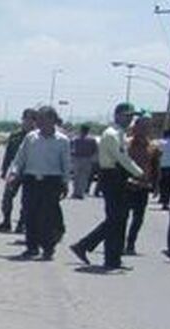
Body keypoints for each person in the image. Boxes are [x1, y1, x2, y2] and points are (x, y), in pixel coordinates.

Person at [69, 102, 144, 269]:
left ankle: (112, 258)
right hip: (112, 176)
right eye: (127, 115)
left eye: (132, 116)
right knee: (116, 218)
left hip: (118, 176)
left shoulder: (121, 133)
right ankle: (85, 245)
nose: (130, 119)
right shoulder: (112, 134)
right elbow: (122, 157)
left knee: (119, 219)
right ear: (117, 115)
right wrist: (139, 173)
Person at [8, 106, 70, 260]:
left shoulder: (62, 141)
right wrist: (14, 173)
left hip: (51, 181)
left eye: (43, 119)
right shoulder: (31, 138)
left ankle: (48, 248)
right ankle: (31, 247)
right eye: (38, 119)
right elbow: (20, 158)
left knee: (47, 217)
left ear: (53, 120)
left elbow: (66, 164)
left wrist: (65, 182)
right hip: (31, 180)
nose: (39, 122)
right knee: (30, 213)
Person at [0, 108, 36, 233]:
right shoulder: (15, 135)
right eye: (25, 119)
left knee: (26, 200)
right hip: (16, 170)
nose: (28, 122)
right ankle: (6, 222)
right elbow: (9, 153)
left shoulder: (36, 137)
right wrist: (4, 169)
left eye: (31, 119)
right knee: (7, 197)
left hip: (30, 172)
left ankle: (22, 224)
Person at [124, 114, 159, 255]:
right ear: (135, 128)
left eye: (147, 127)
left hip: (143, 187)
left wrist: (156, 185)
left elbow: (156, 167)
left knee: (138, 218)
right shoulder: (126, 144)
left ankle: (131, 243)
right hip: (126, 186)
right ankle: (119, 242)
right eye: (141, 126)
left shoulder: (153, 147)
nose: (143, 130)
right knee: (122, 216)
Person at [70, 124, 97, 199]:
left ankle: (76, 192)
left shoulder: (75, 139)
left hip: (77, 158)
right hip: (87, 159)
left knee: (76, 177)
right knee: (84, 177)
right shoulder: (92, 139)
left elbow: (71, 148)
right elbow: (94, 149)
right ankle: (80, 193)